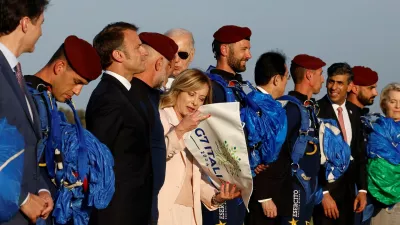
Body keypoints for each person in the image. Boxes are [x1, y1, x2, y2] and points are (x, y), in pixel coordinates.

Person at [85, 22, 150, 225]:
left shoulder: (125, 94)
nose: (145, 52)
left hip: (134, 211)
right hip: (117, 215)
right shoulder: (108, 98)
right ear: (118, 55)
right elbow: (99, 163)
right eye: (138, 46)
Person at [157, 68, 241, 225]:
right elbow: (156, 157)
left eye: (201, 98)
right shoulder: (160, 116)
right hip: (163, 210)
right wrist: (180, 129)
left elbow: (195, 177)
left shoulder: (197, 128)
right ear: (178, 90)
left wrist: (216, 197)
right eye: (191, 94)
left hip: (191, 214)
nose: (195, 102)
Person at [255, 54, 325, 225]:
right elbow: (271, 151)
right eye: (320, 74)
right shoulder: (291, 109)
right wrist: (265, 196)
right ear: (309, 75)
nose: (323, 80)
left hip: (306, 190)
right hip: (291, 190)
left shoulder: (308, 109)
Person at [0, 1, 52, 224]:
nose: (41, 32)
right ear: (25, 24)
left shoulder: (14, 74)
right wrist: (21, 199)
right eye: (40, 23)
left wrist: (42, 188)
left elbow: (29, 147)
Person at [202, 24, 252, 225]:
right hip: (219, 185)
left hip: (239, 184)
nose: (248, 55)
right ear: (224, 50)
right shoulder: (209, 87)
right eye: (243, 49)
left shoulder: (240, 88)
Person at [130, 31, 178, 223]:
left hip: (148, 203)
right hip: (133, 206)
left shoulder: (150, 97)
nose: (169, 75)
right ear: (159, 64)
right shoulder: (133, 97)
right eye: (168, 67)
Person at [314, 63, 367, 225]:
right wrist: (322, 193)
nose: (333, 87)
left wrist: (363, 190)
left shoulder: (355, 112)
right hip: (326, 197)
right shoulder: (316, 110)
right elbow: (313, 157)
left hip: (350, 196)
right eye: (331, 81)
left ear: (350, 86)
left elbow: (359, 153)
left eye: (339, 83)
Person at [245, 51, 291, 225]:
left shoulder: (259, 103)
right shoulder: (257, 107)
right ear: (277, 79)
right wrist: (263, 197)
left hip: (276, 195)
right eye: (286, 77)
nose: (286, 83)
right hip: (262, 199)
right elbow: (257, 156)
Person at [363, 83, 400, 225]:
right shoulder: (374, 130)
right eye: (393, 102)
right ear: (384, 104)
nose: (397, 106)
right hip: (380, 201)